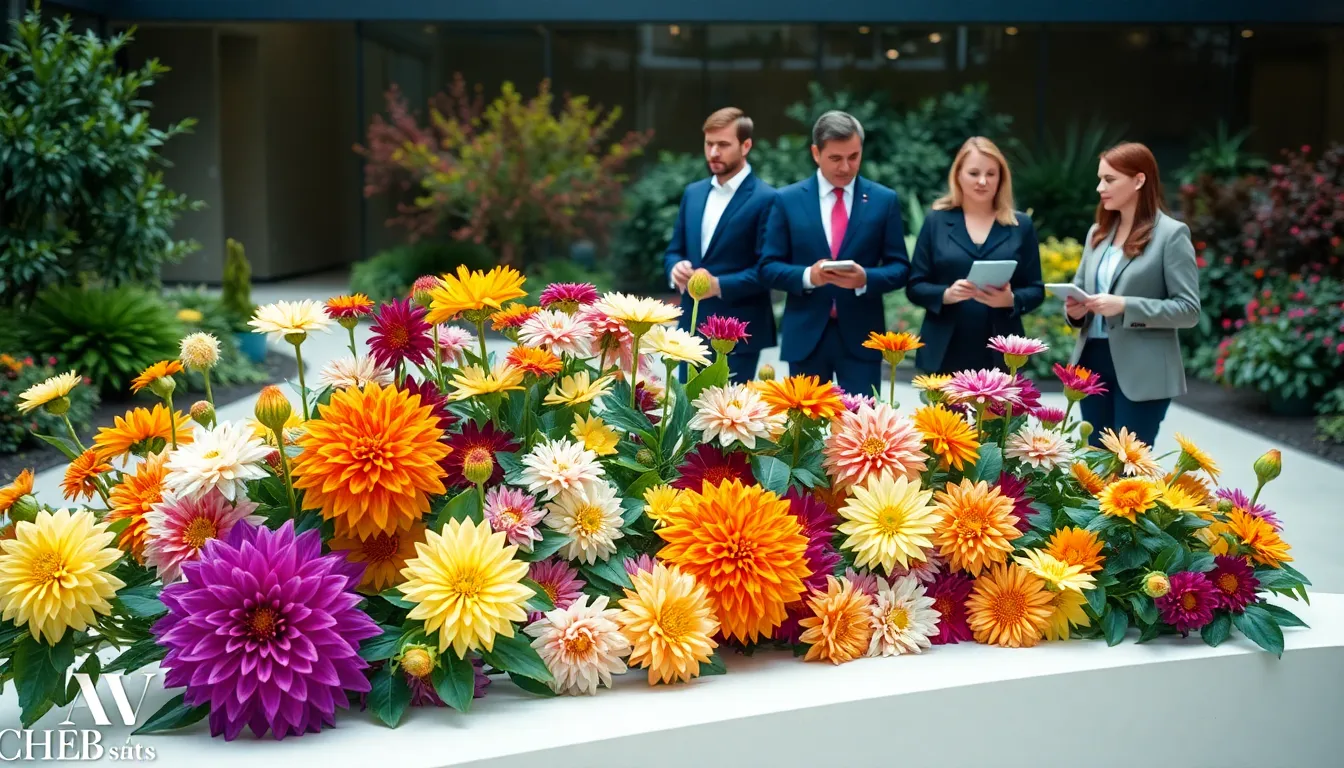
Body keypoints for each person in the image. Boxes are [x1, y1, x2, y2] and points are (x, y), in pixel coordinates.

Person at [758, 110, 910, 397]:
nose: (845, 167)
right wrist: (809, 276)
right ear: (816, 153)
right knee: (804, 433)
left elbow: (900, 268)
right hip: (806, 336)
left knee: (863, 431)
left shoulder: (883, 200)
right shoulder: (786, 200)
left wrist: (864, 278)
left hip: (862, 338)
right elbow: (767, 267)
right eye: (835, 158)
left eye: (853, 157)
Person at [1064, 141, 1200, 447]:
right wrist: (1075, 311)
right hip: (1091, 363)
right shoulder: (1097, 233)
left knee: (1130, 470)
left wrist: (1125, 305)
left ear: (1139, 180)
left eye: (1109, 180)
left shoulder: (1171, 235)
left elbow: (1188, 310)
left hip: (1143, 370)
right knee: (1094, 468)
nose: (1100, 187)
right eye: (1100, 179)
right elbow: (1081, 291)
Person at [906, 137, 1044, 374]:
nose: (983, 181)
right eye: (973, 173)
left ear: (1001, 178)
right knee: (943, 414)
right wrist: (947, 294)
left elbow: (1036, 289)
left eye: (991, 174)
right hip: (944, 351)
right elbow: (915, 286)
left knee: (999, 413)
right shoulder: (936, 221)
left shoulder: (1020, 225)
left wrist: (1010, 300)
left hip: (1001, 353)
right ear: (958, 174)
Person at [664, 107, 777, 384]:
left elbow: (768, 269)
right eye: (709, 144)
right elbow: (674, 250)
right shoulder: (693, 193)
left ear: (746, 145)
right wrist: (674, 268)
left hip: (740, 330)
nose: (714, 152)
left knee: (731, 422)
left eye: (723, 145)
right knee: (685, 417)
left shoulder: (768, 198)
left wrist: (719, 285)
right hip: (690, 329)